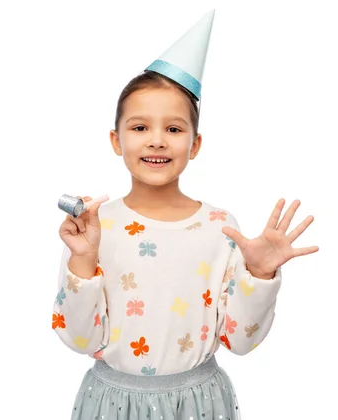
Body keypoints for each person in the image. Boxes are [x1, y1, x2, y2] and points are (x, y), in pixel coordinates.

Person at [52, 9, 319, 420]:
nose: (157, 141)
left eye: (174, 130)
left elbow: (241, 342)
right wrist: (83, 260)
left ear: (194, 145)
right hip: (113, 403)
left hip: (197, 404)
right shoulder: (94, 227)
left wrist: (260, 276)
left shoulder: (219, 227)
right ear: (115, 139)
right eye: (140, 128)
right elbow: (79, 338)